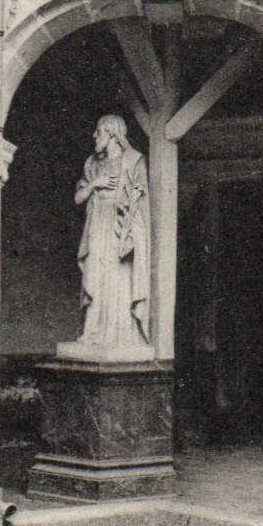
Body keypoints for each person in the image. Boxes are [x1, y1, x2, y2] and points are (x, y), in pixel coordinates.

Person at [73, 114, 151, 350]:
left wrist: (132, 235)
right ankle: (92, 332)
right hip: (97, 224)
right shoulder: (93, 164)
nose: (94, 137)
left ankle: (117, 336)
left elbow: (141, 204)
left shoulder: (134, 161)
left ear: (112, 134)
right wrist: (95, 184)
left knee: (119, 279)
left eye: (99, 132)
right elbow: (78, 198)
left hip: (120, 228)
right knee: (95, 276)